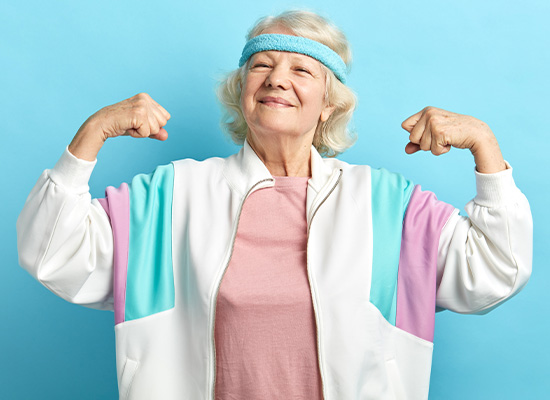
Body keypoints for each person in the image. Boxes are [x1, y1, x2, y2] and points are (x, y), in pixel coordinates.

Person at [16, 9, 532, 400]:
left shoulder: (386, 205)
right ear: (243, 90)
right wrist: (92, 133)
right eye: (262, 64)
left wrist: (485, 147)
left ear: (329, 101)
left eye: (301, 69)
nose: (277, 78)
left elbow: (496, 270)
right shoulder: (172, 196)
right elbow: (52, 252)